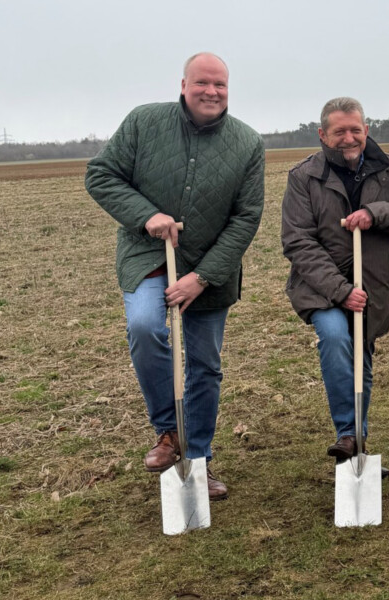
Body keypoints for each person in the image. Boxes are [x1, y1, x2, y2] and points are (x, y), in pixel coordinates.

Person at [86, 52, 265, 499]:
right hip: (147, 252)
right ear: (183, 85)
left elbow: (246, 218)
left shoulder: (247, 143)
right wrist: (146, 216)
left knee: (204, 365)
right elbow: (101, 175)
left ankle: (198, 460)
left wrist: (202, 277)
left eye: (220, 85)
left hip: (211, 266)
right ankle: (170, 432)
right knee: (146, 326)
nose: (212, 92)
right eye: (203, 83)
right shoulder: (144, 122)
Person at [281, 97, 389, 473]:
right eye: (339, 131)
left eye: (355, 130)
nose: (348, 138)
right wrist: (340, 290)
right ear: (322, 134)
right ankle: (349, 433)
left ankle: (357, 444)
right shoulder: (303, 177)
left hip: (373, 283)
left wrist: (376, 213)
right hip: (320, 286)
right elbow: (297, 241)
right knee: (334, 337)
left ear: (366, 130)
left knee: (360, 357)